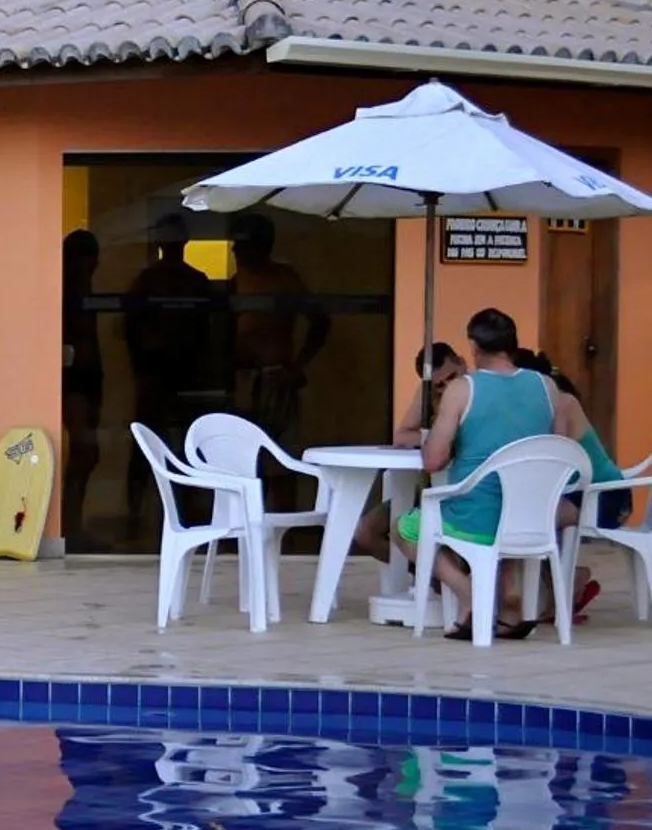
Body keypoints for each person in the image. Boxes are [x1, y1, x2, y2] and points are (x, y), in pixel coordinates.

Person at [392, 309, 560, 641]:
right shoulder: (546, 387)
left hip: (475, 515)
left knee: (405, 530)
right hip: (530, 514)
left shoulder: (463, 389)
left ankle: (471, 594)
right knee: (502, 506)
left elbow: (433, 461)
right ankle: (508, 600)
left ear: (472, 346)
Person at [512, 348, 627, 622]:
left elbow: (555, 453)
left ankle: (568, 584)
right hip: (578, 492)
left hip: (606, 497)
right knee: (525, 515)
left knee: (529, 517)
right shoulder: (549, 401)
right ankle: (566, 585)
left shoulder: (562, 402)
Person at [123, 213, 215, 534]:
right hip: (155, 372)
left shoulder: (196, 281)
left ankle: (187, 511)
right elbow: (130, 329)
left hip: (187, 374)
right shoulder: (146, 282)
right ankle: (137, 514)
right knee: (145, 442)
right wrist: (141, 368)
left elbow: (211, 330)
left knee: (189, 442)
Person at [349, 341, 467, 563]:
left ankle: (442, 580)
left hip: (462, 493)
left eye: (452, 377)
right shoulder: (429, 395)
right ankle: (429, 578)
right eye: (440, 385)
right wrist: (436, 439)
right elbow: (401, 436)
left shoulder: (476, 390)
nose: (448, 387)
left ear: (462, 362)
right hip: (426, 489)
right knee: (365, 533)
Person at [228, 212, 330, 459]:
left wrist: (296, 367)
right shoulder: (235, 282)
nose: (235, 250)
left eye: (242, 244)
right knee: (243, 460)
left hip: (276, 381)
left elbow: (320, 322)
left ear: (261, 245)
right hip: (241, 383)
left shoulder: (284, 279)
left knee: (280, 460)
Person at [61, 230, 105, 549]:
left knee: (87, 452)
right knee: (83, 450)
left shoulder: (84, 288)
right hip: (74, 376)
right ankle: (69, 527)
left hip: (89, 375)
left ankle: (73, 525)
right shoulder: (65, 290)